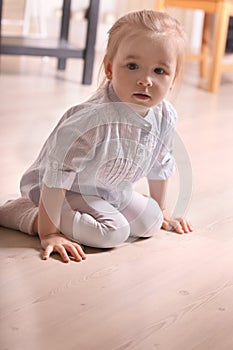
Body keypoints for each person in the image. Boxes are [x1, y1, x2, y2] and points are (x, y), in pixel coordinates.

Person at [0, 10, 193, 263]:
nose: (145, 80)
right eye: (132, 66)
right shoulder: (92, 121)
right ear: (110, 68)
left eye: (159, 71)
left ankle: (113, 212)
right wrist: (49, 233)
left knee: (152, 221)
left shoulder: (165, 116)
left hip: (111, 190)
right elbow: (58, 175)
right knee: (112, 233)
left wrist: (162, 209)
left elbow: (159, 163)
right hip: (64, 190)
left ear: (173, 78)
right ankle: (23, 213)